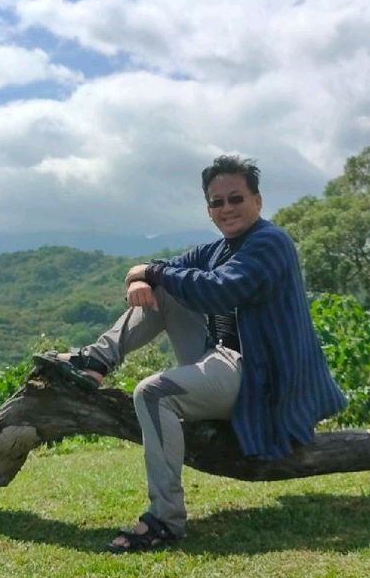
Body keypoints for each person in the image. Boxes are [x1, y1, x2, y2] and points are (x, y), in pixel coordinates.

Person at [34, 155, 347, 553]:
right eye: (217, 202)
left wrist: (152, 274)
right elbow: (158, 268)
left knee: (152, 392)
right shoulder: (218, 249)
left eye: (236, 198)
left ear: (258, 201)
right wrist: (140, 274)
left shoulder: (271, 242)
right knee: (164, 289)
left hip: (258, 377)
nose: (227, 208)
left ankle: (164, 520)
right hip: (222, 360)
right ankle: (96, 362)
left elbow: (221, 289)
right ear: (208, 210)